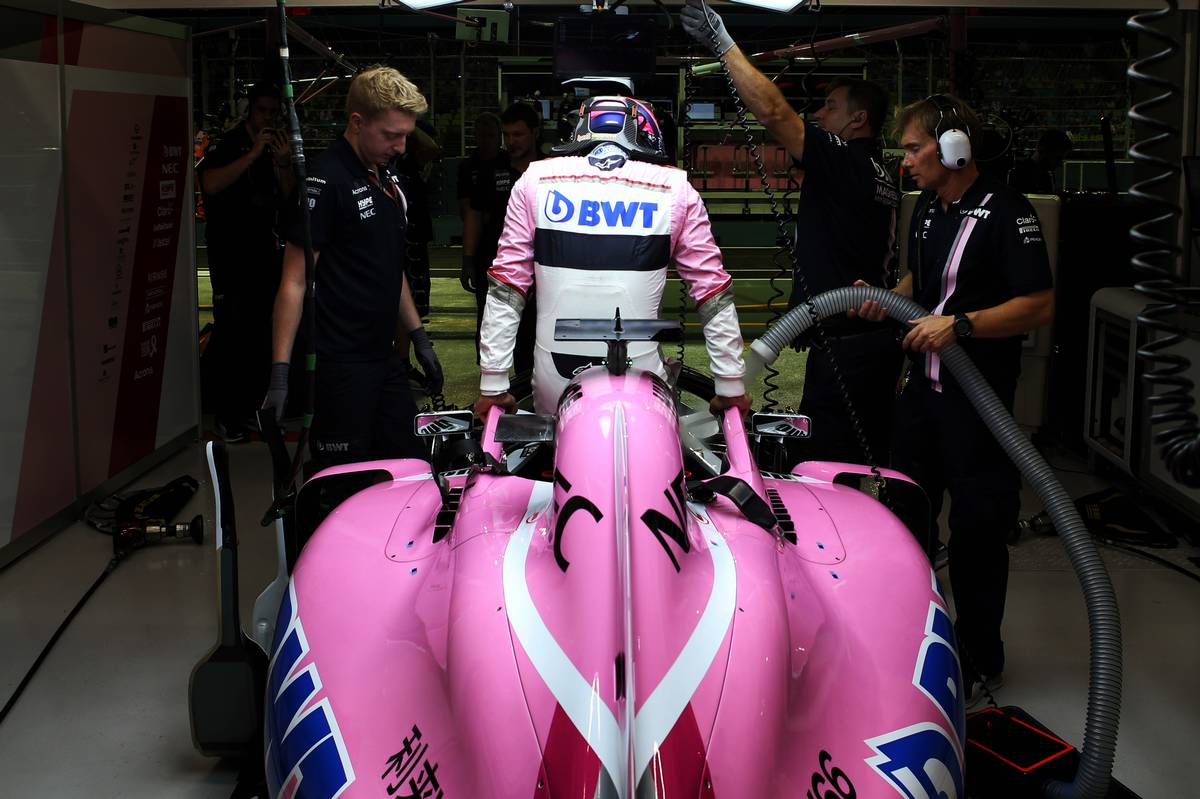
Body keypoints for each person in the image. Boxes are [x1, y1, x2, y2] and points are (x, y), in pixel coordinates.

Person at [854, 95, 1054, 705]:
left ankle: (977, 659)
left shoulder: (1007, 212)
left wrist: (960, 325)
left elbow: (1038, 304)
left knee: (975, 532)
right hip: (923, 397)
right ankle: (914, 640)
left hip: (978, 404)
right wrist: (893, 296)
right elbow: (925, 278)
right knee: (906, 517)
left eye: (914, 149)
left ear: (953, 147)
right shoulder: (927, 211)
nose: (905, 161)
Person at [681, 0, 902, 465]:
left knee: (829, 464)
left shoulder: (844, 159)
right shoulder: (877, 171)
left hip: (849, 344)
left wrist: (724, 45)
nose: (820, 115)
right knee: (864, 453)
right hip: (863, 339)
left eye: (830, 106)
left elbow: (776, 113)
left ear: (858, 120)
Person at [473, 96, 750, 419]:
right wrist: (731, 387)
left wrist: (492, 385)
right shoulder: (674, 187)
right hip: (643, 378)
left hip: (554, 381)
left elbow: (508, 288)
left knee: (549, 464)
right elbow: (712, 292)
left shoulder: (534, 181)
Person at [264, 66, 443, 469]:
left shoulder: (385, 177)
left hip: (384, 358)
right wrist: (280, 368)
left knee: (411, 465)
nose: (400, 146)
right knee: (344, 479)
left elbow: (387, 265)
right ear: (357, 123)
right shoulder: (326, 181)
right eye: (390, 135)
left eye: (405, 136)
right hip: (340, 365)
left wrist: (418, 337)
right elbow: (293, 282)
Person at [197, 82, 296, 442]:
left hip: (267, 253)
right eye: (262, 111)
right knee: (232, 335)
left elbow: (289, 198)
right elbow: (210, 183)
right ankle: (228, 414)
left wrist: (284, 165)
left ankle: (255, 411)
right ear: (249, 111)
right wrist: (253, 154)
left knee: (262, 337)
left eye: (273, 112)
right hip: (232, 255)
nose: (268, 118)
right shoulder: (227, 144)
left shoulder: (278, 147)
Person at [462, 102, 542, 374]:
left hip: (538, 266)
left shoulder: (548, 170)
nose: (511, 141)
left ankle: (528, 382)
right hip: (494, 263)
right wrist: (468, 259)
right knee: (491, 326)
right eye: (507, 135)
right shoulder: (491, 169)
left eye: (518, 135)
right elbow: (474, 213)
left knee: (532, 332)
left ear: (535, 133)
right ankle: (493, 382)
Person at [1008, 129, 1073, 195]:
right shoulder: (1022, 175)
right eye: (1058, 158)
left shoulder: (1046, 174)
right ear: (1042, 150)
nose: (1060, 164)